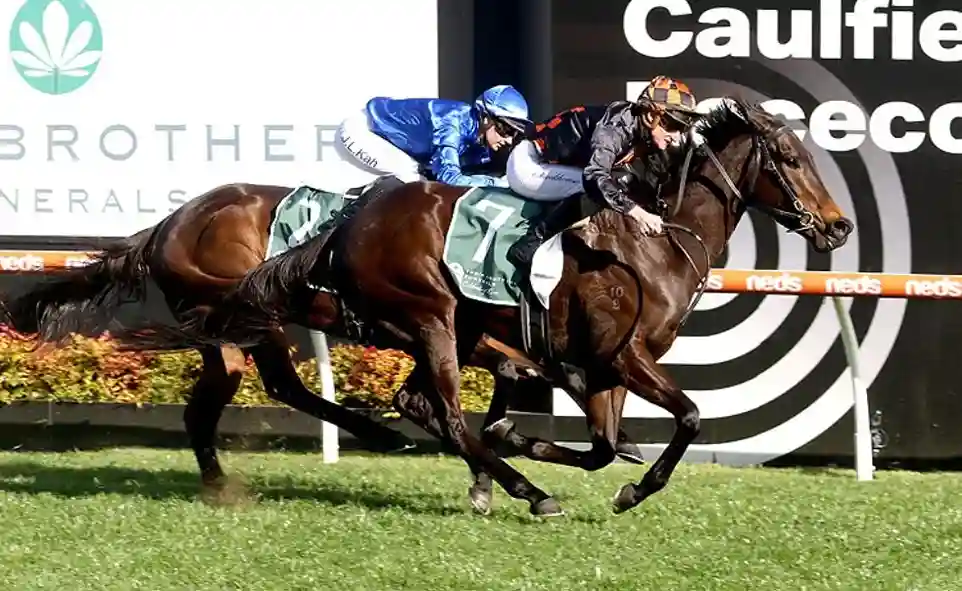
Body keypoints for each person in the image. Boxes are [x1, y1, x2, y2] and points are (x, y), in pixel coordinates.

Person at [505, 75, 703, 273]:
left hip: (556, 168)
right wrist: (638, 214)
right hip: (529, 164)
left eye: (683, 128)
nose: (677, 137)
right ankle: (532, 243)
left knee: (629, 184)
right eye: (674, 125)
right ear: (652, 116)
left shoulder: (644, 133)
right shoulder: (616, 127)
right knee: (598, 186)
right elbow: (594, 176)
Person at [335, 84, 532, 187]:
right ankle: (339, 224)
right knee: (411, 178)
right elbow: (449, 178)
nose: (508, 139)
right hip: (363, 131)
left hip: (392, 144)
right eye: (506, 130)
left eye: (514, 134)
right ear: (486, 118)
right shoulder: (452, 121)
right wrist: (497, 183)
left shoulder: (482, 145)